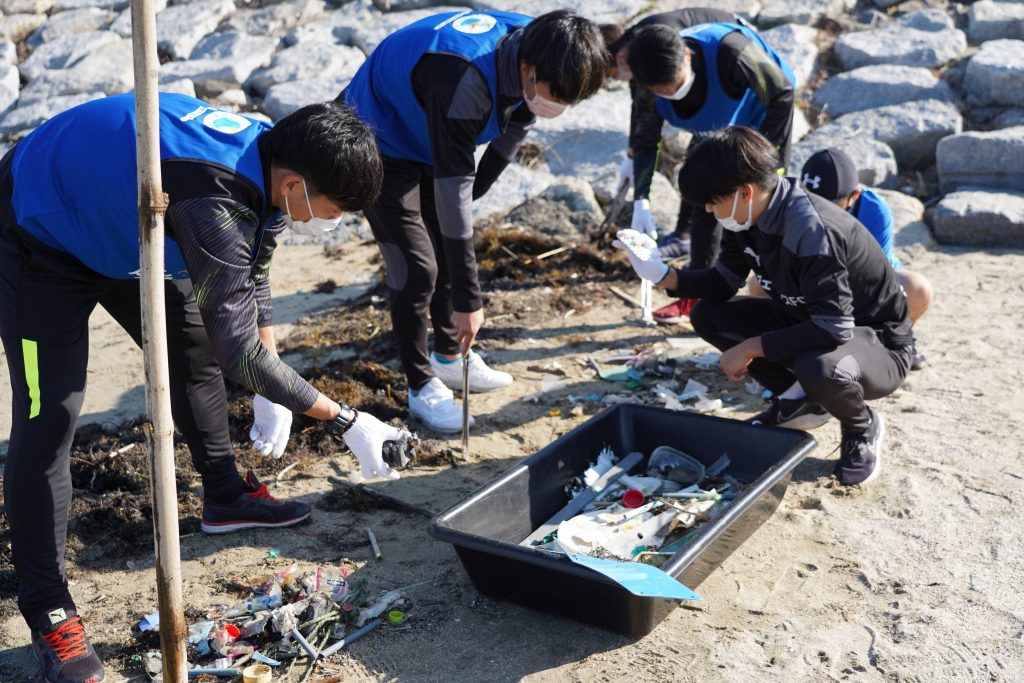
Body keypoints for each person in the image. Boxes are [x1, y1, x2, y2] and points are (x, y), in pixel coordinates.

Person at [0, 93, 407, 683]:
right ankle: (49, 611)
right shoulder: (214, 199)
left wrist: (273, 376)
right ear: (296, 183)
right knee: (50, 417)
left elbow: (255, 273)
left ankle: (224, 497)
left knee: (190, 354)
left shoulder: (275, 153)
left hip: (124, 226)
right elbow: (236, 349)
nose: (329, 220)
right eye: (330, 208)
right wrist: (345, 419)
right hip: (37, 231)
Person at [341, 10, 607, 433]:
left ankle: (448, 356)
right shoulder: (462, 78)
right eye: (558, 95)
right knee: (415, 267)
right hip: (378, 137)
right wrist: (469, 300)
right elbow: (453, 188)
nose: (560, 106)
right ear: (527, 70)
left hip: (430, 133)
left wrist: (473, 192)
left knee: (448, 242)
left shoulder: (543, 47)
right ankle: (421, 383)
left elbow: (516, 123)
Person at [614, 127, 915, 488]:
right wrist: (663, 274)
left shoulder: (811, 230)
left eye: (712, 201)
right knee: (708, 315)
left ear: (745, 191)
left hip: (878, 344)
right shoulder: (746, 218)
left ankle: (860, 424)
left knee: (817, 365)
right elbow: (722, 283)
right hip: (813, 321)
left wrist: (750, 347)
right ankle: (805, 402)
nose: (709, 210)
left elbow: (833, 328)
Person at [622, 21, 796, 324]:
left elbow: (782, 94)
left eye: (674, 84)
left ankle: (788, 291)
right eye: (661, 91)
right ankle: (697, 296)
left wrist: (760, 162)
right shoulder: (645, 82)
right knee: (706, 197)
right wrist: (641, 199)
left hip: (764, 115)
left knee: (765, 207)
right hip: (713, 125)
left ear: (687, 57)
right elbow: (646, 140)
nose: (670, 93)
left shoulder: (732, 52)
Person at [799, 148, 932, 369]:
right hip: (812, 277)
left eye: (829, 203)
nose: (818, 209)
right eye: (811, 200)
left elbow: (874, 275)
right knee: (759, 286)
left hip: (861, 278)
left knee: (917, 289)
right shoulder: (792, 205)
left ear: (854, 196)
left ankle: (898, 339)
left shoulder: (873, 209)